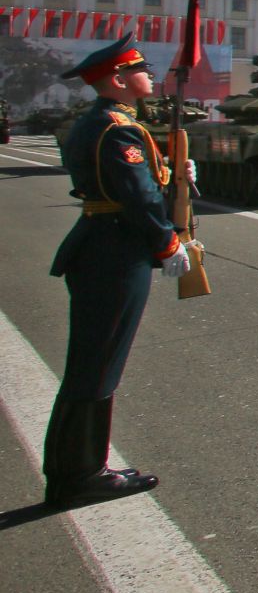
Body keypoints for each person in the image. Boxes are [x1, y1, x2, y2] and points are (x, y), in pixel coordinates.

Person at [44, 35, 196, 509]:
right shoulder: (118, 129)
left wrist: (172, 170)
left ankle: (80, 467)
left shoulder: (107, 125)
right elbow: (136, 196)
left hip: (104, 245)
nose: (149, 74)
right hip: (114, 252)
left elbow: (135, 183)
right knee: (97, 364)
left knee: (97, 361)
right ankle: (81, 473)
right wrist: (167, 240)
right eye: (140, 68)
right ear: (117, 79)